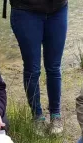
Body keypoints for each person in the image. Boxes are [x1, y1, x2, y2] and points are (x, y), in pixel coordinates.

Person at [9, 0, 68, 134]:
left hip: (58, 9)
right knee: (32, 69)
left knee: (54, 67)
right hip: (25, 10)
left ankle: (56, 114)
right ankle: (37, 116)